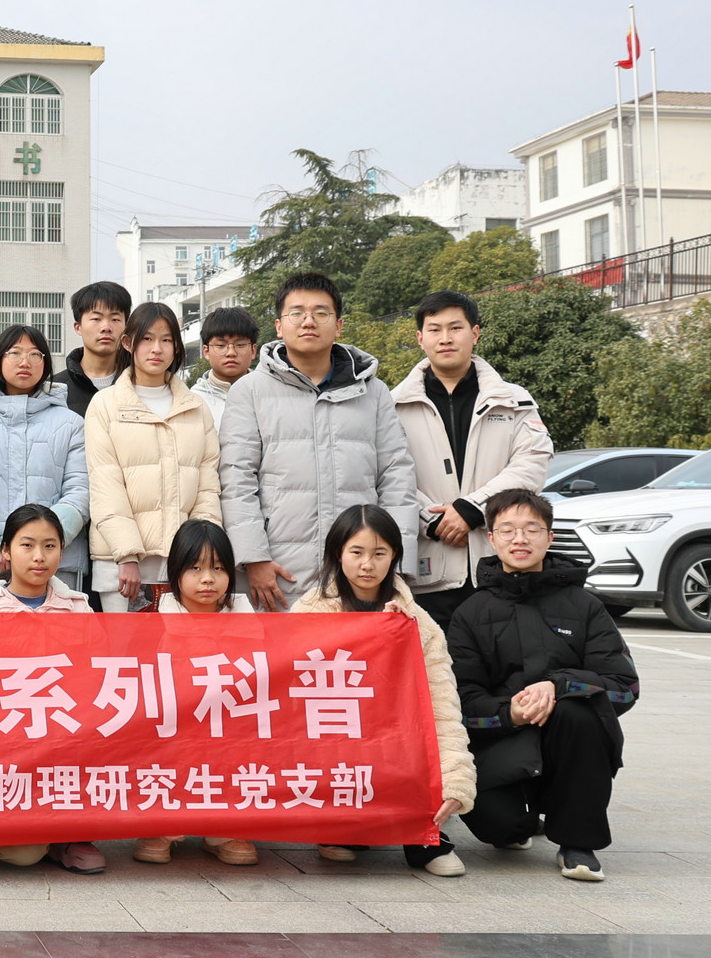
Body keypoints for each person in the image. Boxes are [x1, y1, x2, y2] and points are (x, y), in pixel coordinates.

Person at [448, 489, 638, 883]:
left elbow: (624, 687)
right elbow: (460, 699)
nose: (520, 539)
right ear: (491, 538)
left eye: (532, 529)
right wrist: (509, 714)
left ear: (549, 537)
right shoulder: (470, 612)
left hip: (570, 741)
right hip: (502, 741)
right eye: (508, 530)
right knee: (500, 829)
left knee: (577, 710)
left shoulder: (585, 606)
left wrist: (559, 685)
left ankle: (577, 843)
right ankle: (522, 821)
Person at [292, 505, 473, 878]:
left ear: (394, 556)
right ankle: (340, 826)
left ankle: (424, 836)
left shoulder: (417, 623)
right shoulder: (307, 613)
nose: (367, 565)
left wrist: (455, 780)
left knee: (411, 736)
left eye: (379, 553)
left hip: (395, 740)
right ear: (337, 553)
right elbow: (285, 695)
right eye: (356, 552)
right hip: (333, 737)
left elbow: (442, 708)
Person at [218, 272, 417, 611]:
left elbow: (397, 478)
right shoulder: (249, 391)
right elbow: (236, 480)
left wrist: (397, 565)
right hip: (279, 572)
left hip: (361, 573)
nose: (308, 321)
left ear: (338, 326)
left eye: (321, 313)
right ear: (279, 326)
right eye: (297, 312)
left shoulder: (373, 392)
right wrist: (253, 558)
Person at [394, 291, 554, 629]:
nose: (446, 338)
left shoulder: (514, 401)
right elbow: (387, 472)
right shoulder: (393, 406)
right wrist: (431, 520)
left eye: (456, 328)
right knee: (435, 659)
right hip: (427, 568)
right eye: (435, 329)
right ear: (420, 338)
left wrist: (472, 509)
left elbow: (532, 461)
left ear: (475, 333)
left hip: (500, 565)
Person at [0, 506, 102, 876]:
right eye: (27, 545)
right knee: (22, 854)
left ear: (62, 551)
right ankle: (4, 827)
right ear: (6, 551)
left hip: (65, 740)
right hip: (3, 743)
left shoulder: (78, 608)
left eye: (49, 546)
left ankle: (71, 836)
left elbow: (98, 680)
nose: (39, 556)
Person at [87, 303, 222, 612]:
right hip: (122, 565)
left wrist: (201, 552)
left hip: (186, 562)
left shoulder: (196, 407)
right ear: (128, 343)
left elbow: (207, 486)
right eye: (147, 339)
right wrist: (127, 554)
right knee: (127, 644)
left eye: (166, 339)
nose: (157, 349)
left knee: (185, 644)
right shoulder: (105, 404)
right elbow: (105, 484)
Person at [139, 520, 257, 867]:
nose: (208, 579)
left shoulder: (249, 621)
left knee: (237, 756)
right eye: (195, 568)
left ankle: (227, 830)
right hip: (173, 725)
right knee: (164, 754)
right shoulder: (152, 619)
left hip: (230, 725)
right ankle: (161, 827)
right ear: (175, 572)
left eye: (218, 568)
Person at [0, 324, 90, 595]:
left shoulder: (71, 424)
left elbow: (80, 492)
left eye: (35, 354)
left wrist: (45, 545)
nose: (25, 362)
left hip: (56, 565)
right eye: (15, 353)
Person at [52, 281, 130, 418]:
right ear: (78, 327)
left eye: (115, 319)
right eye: (96, 319)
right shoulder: (55, 388)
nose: (106, 327)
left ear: (126, 327)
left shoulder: (140, 383)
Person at [191, 306, 260, 428]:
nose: (231, 353)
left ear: (253, 351)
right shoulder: (193, 400)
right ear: (206, 352)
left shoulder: (268, 393)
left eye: (240, 345)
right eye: (221, 345)